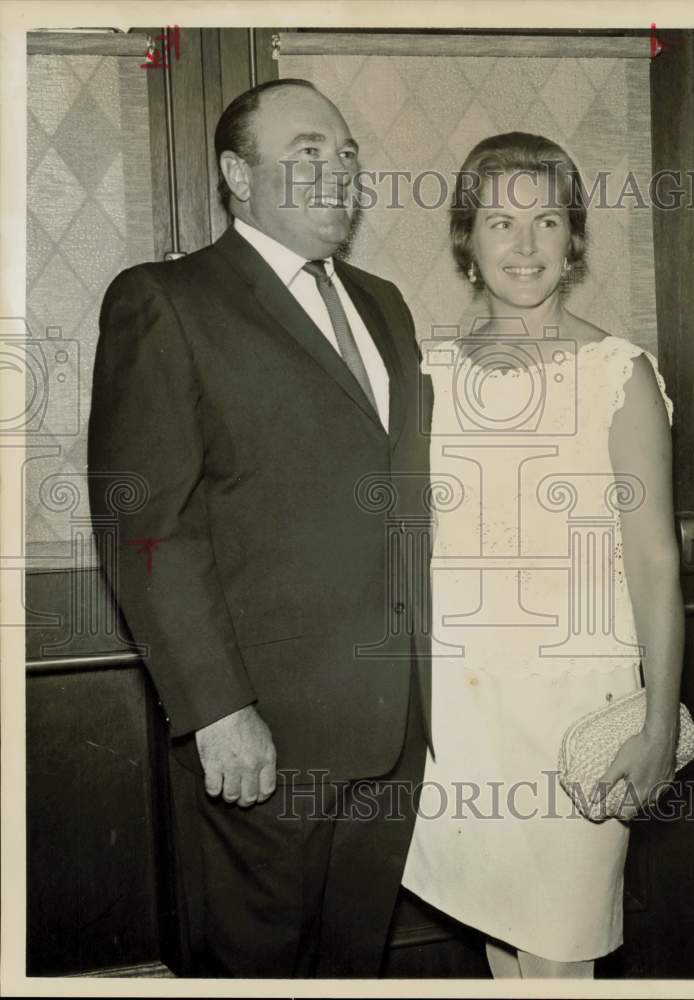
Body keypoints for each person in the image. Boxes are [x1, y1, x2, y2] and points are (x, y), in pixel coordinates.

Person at [88, 79, 433, 978]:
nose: (339, 169)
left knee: (353, 964)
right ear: (238, 175)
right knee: (256, 969)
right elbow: (144, 525)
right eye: (308, 150)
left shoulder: (384, 303)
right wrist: (217, 711)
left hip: (393, 726)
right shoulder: (165, 300)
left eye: (347, 151)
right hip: (261, 735)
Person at [402, 132, 685, 979]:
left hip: (577, 706)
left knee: (563, 946)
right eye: (498, 222)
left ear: (573, 240)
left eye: (546, 221)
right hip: (463, 708)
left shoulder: (617, 373)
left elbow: (654, 561)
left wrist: (658, 723)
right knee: (501, 937)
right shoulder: (431, 370)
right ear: (466, 240)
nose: (522, 246)